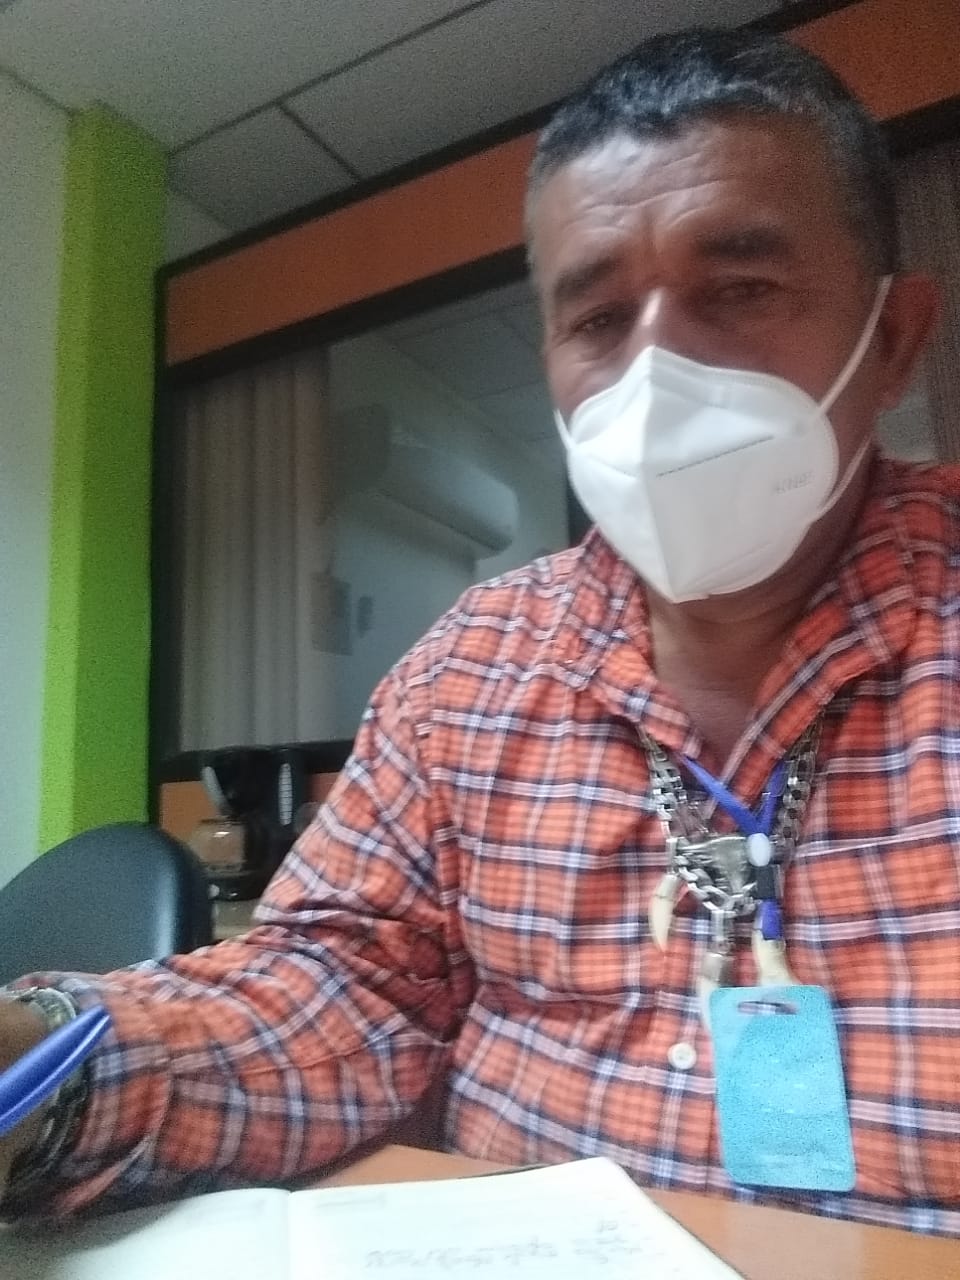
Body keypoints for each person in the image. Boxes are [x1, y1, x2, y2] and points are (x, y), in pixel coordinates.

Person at [1, 25, 955, 1235]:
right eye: (597, 319)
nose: (657, 375)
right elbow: (340, 991)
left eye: (742, 289)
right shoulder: (472, 664)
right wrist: (33, 1064)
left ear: (893, 338)